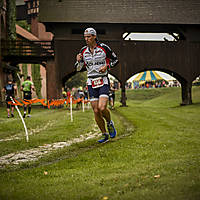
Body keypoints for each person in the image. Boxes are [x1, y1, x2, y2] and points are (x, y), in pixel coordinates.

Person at [75, 27, 119, 143]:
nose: (86, 39)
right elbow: (78, 68)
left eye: (89, 37)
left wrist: (107, 67)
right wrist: (79, 61)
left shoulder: (104, 48)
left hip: (103, 80)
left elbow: (115, 60)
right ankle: (104, 134)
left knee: (102, 107)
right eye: (85, 37)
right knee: (95, 111)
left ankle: (109, 123)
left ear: (94, 36)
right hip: (91, 82)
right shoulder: (83, 50)